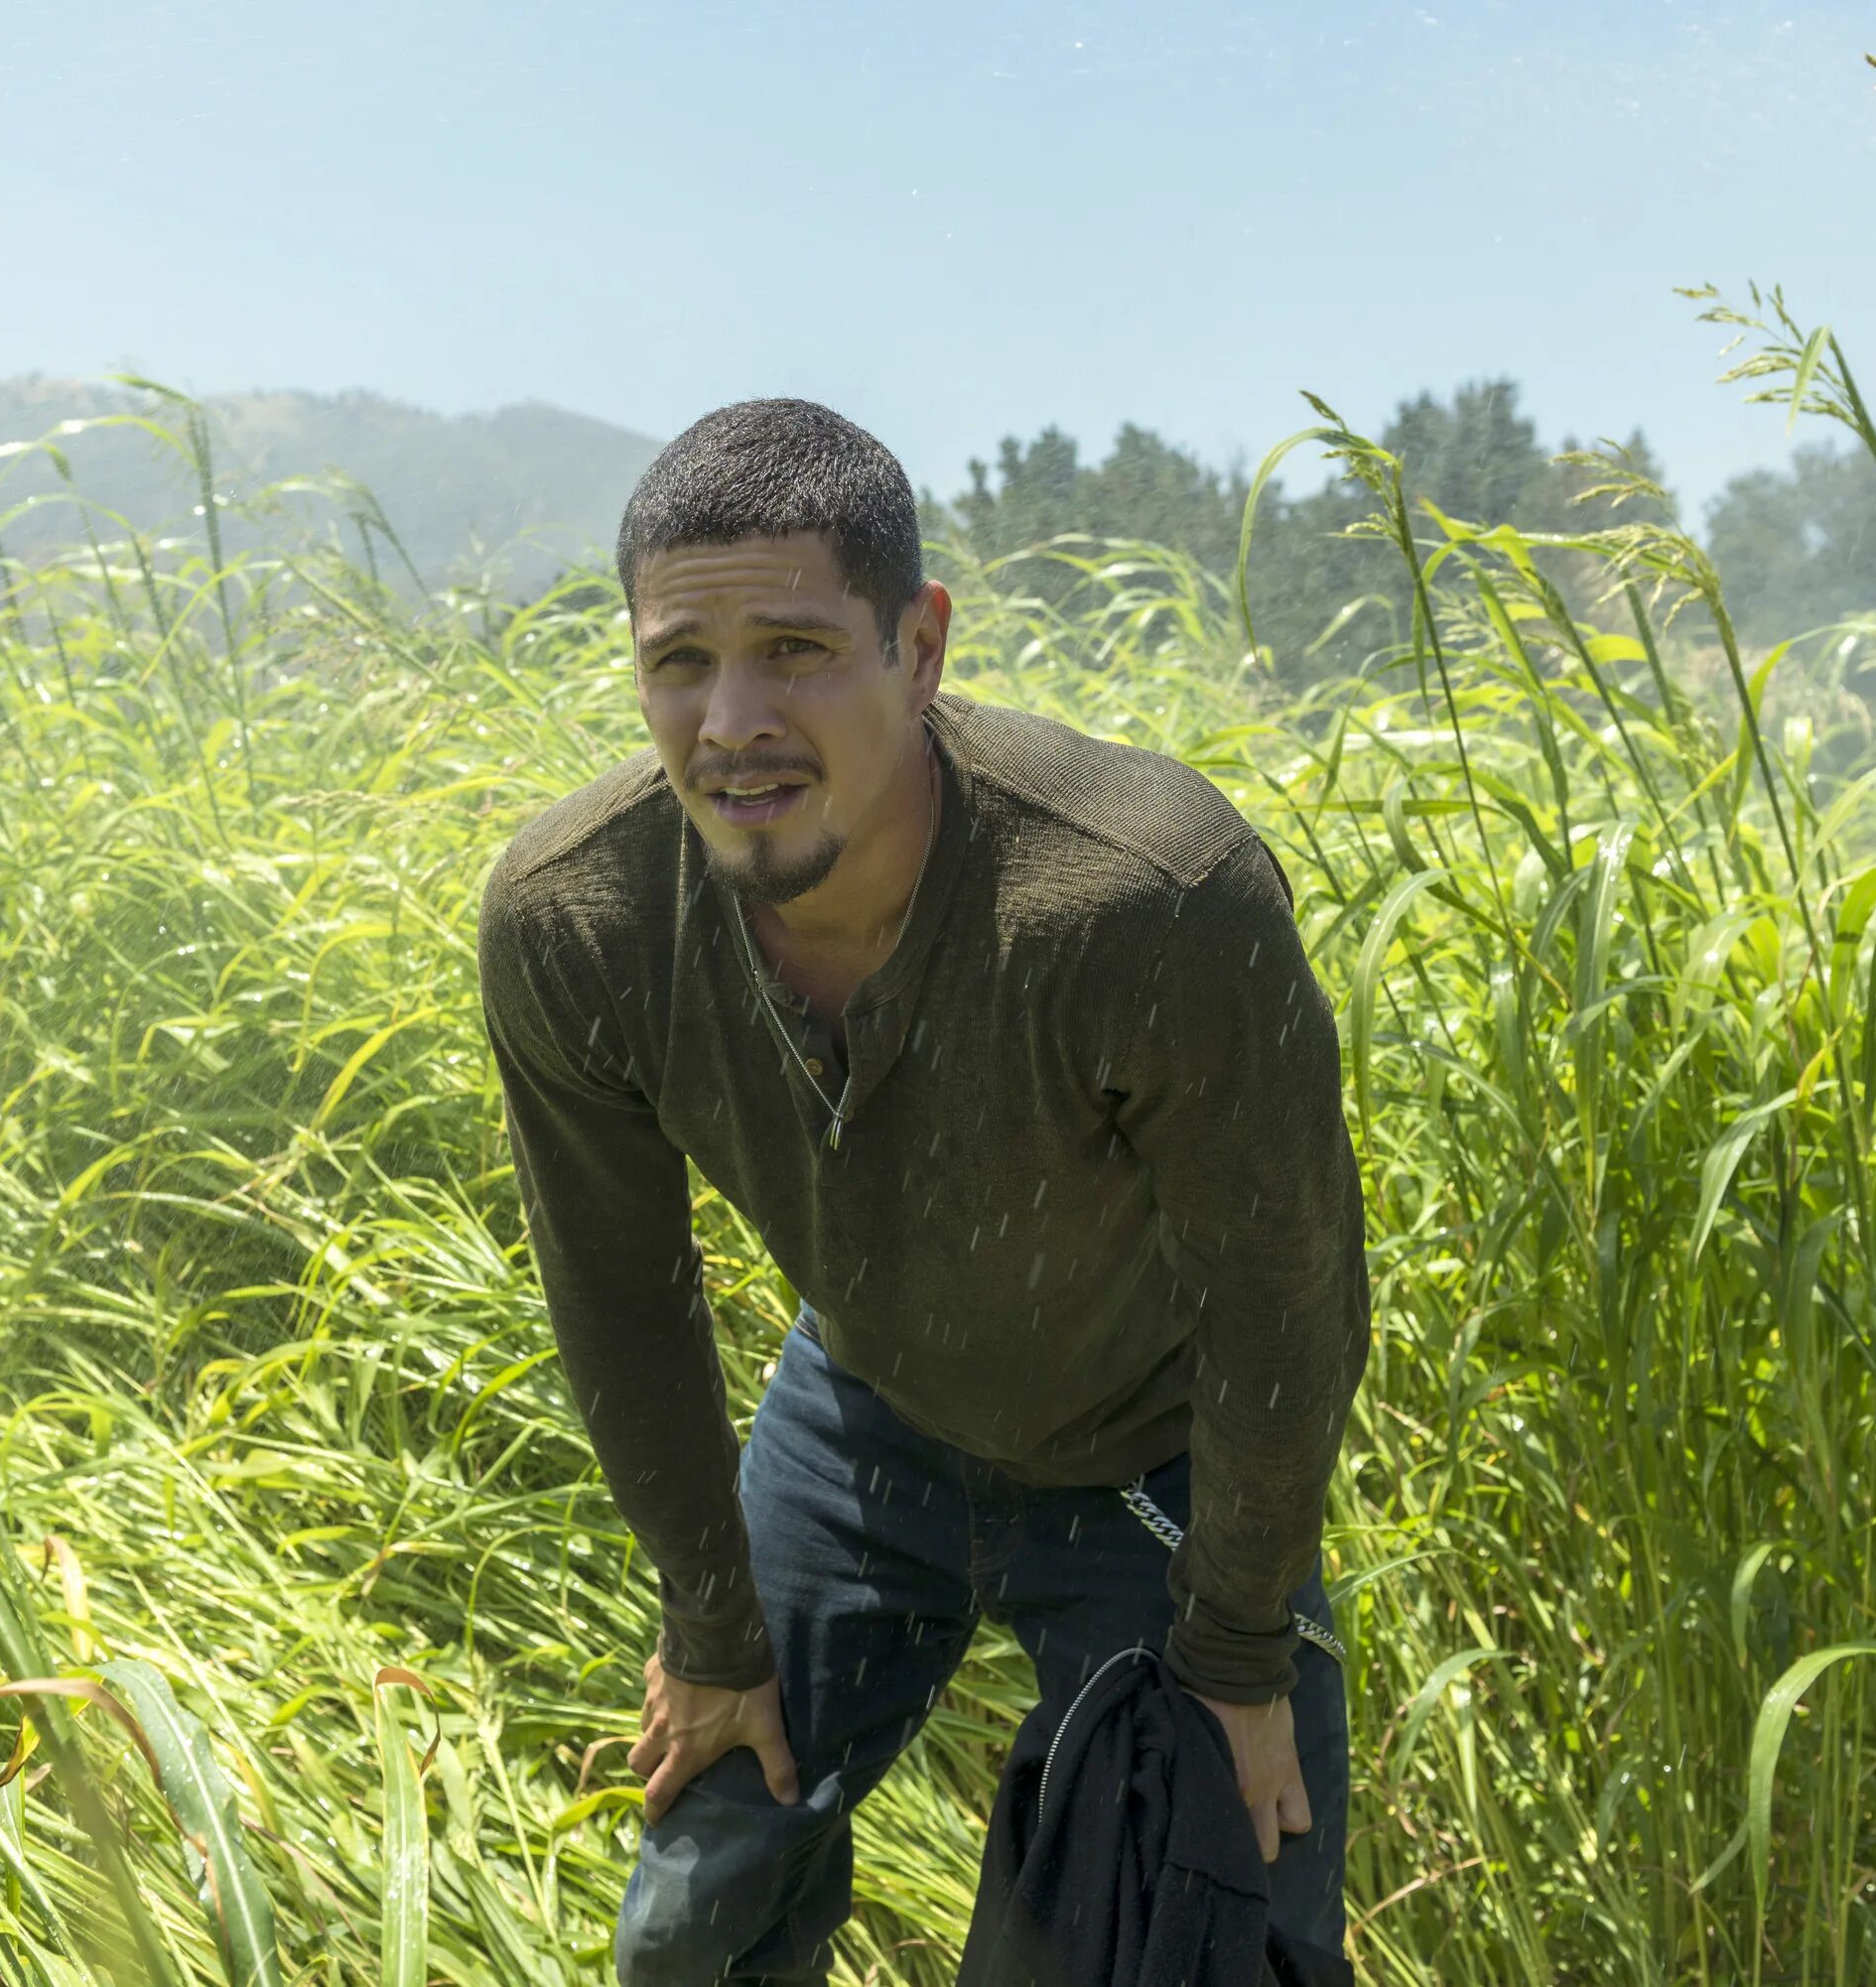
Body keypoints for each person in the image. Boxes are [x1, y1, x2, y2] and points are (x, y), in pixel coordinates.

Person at [475, 397, 1371, 1984]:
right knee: (692, 1916)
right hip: (861, 1420)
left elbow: (1282, 1297)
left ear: (921, 645)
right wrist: (713, 1626)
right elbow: (620, 1291)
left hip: (1154, 1464)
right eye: (681, 660)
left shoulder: (1142, 897)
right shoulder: (579, 919)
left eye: (797, 650)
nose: (731, 719)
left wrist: (1233, 1649)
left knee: (1216, 1924)